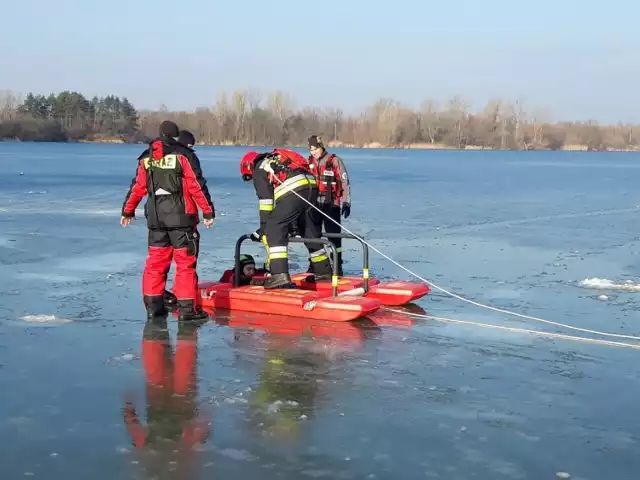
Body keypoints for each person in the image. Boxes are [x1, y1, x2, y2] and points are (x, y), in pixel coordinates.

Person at [121, 121, 214, 321]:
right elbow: (196, 186)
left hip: (156, 220)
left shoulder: (146, 158)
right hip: (182, 220)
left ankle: (154, 309)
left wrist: (127, 211)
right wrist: (208, 212)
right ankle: (188, 311)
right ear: (176, 136)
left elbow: (138, 187)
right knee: (185, 264)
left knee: (155, 263)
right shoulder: (184, 156)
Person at [239, 148, 333, 289]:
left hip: (294, 190)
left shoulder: (259, 168)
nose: (252, 180)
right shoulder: (273, 160)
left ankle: (279, 275)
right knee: (307, 229)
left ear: (248, 167)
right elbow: (286, 211)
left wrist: (264, 229)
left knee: (275, 227)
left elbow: (266, 202)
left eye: (249, 177)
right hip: (310, 187)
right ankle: (324, 273)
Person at [307, 135, 351, 275]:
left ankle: (337, 266)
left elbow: (345, 182)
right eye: (311, 150)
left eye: (315, 149)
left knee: (334, 237)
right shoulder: (308, 163)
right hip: (314, 205)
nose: (313, 152)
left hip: (331, 205)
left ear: (321, 147)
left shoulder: (335, 161)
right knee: (313, 236)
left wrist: (346, 202)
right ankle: (315, 265)